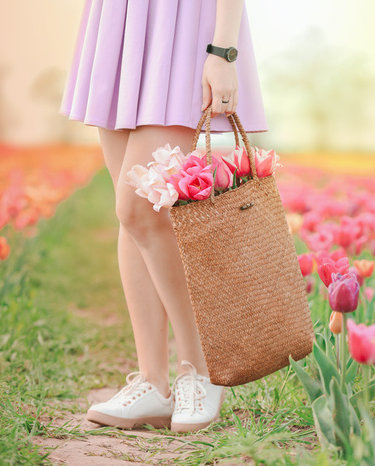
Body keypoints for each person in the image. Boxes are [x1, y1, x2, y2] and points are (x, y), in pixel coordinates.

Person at [58, 0, 267, 433]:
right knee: (134, 217)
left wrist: (223, 51)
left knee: (139, 205)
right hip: (119, 22)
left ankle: (201, 369)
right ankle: (152, 382)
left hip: (185, 23)